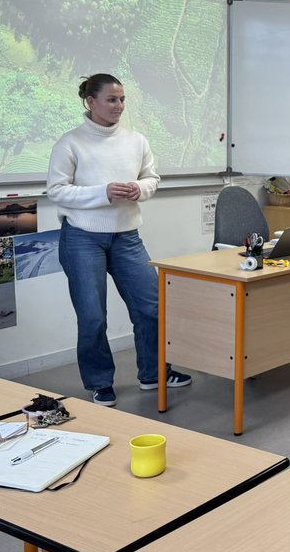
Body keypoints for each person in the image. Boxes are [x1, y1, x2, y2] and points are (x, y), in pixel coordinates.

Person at [46, 73, 192, 407]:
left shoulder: (136, 140)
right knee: (93, 315)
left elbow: (152, 178)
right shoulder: (70, 143)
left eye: (122, 99)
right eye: (112, 99)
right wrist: (104, 192)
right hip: (82, 238)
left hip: (127, 236)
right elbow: (56, 190)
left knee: (152, 307)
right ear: (91, 102)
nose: (119, 106)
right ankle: (99, 383)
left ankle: (154, 374)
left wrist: (139, 189)